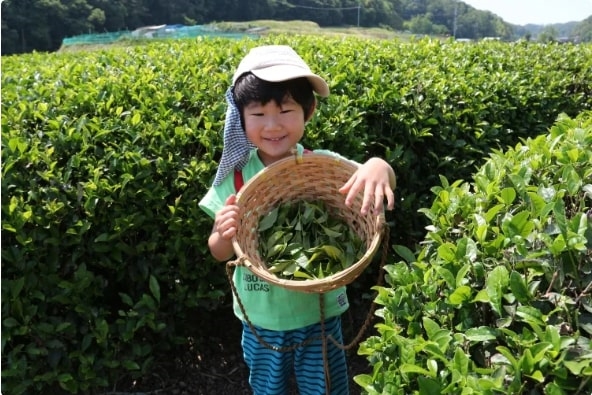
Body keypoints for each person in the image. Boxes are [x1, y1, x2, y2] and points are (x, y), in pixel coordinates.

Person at [199, 45, 396, 395]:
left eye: (286, 110)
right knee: (267, 387)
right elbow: (219, 253)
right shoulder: (236, 180)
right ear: (239, 117)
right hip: (262, 320)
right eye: (258, 114)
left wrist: (380, 166)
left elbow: (371, 177)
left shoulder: (322, 165)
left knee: (326, 386)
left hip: (320, 315)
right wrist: (223, 233)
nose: (272, 125)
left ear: (309, 111)